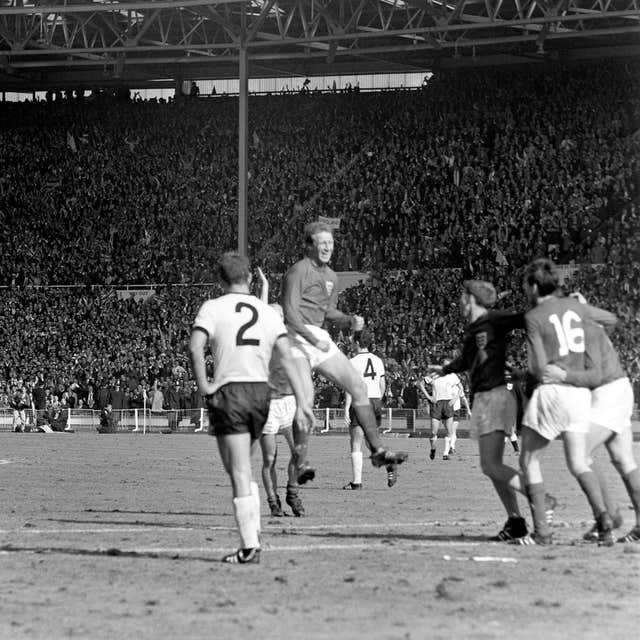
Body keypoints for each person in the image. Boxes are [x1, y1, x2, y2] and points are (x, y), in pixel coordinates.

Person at [189, 252, 313, 565]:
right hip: (262, 394)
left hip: (231, 391)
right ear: (249, 278)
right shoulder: (268, 311)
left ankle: (249, 546)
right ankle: (253, 535)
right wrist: (302, 401)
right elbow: (287, 356)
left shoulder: (212, 308)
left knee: (238, 470)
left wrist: (204, 386)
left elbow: (194, 346)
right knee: (242, 466)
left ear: (220, 279)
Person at [281, 221, 408, 484]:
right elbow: (290, 314)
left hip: (318, 337)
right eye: (322, 243)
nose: (328, 247)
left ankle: (377, 450)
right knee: (306, 401)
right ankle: (301, 460)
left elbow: (328, 313)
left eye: (331, 243)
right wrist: (312, 340)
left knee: (358, 387)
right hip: (295, 339)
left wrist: (349, 320)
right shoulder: (297, 271)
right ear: (310, 245)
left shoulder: (331, 277)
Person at [519, 258, 618, 546]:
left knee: (529, 460)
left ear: (535, 286)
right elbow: (610, 320)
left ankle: (542, 533)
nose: (526, 290)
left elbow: (539, 368)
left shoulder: (534, 315)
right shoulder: (576, 306)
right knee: (579, 461)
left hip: (553, 392)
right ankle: (605, 522)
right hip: (579, 392)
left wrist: (535, 372)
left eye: (526, 285)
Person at [428, 280, 534, 541]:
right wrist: (445, 369)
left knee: (490, 466)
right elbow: (466, 360)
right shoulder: (473, 329)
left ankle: (539, 497)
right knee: (493, 466)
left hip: (495, 396)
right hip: (485, 398)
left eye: (463, 297)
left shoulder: (494, 319)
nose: (460, 302)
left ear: (472, 298)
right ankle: (516, 521)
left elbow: (524, 319)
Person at [543, 314, 640, 544]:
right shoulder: (586, 323)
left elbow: (590, 374)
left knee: (581, 455)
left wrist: (561, 376)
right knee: (623, 460)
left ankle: (610, 515)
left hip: (607, 393)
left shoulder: (580, 328)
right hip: (617, 389)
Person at [260, 304, 305, 517]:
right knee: (270, 458)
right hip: (267, 405)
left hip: (289, 402)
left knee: (299, 451)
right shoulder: (259, 341)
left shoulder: (290, 339)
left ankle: (292, 492)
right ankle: (273, 502)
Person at [343, 329, 396, 490]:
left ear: (358, 343)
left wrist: (346, 408)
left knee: (356, 442)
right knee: (369, 440)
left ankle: (357, 482)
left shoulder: (352, 362)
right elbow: (382, 385)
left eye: (353, 341)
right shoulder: (378, 360)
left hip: (360, 401)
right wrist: (376, 401)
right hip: (375, 401)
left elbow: (350, 387)